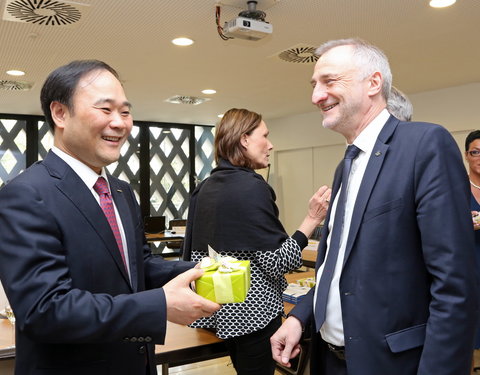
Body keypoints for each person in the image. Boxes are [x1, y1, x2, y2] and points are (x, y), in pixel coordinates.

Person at [270, 38, 477, 375]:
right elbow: (337, 267)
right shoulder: (346, 165)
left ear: (373, 83)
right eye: (314, 85)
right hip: (330, 360)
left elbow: (454, 287)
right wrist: (300, 316)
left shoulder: (424, 145)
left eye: (329, 81)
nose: (316, 96)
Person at [0, 60, 220, 375]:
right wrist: (160, 306)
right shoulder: (26, 194)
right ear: (60, 113)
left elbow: (137, 267)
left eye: (126, 112)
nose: (120, 123)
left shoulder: (120, 191)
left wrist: (198, 271)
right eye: (105, 110)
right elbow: (44, 311)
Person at [182, 108, 331, 375]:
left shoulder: (204, 188)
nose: (271, 144)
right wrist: (312, 218)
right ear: (244, 140)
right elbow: (279, 262)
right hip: (255, 318)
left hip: (219, 313)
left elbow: (194, 257)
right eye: (265, 135)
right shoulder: (252, 187)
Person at [465, 130, 480, 373]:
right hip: (468, 266)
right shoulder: (455, 186)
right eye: (475, 152)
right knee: (467, 331)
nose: (479, 157)